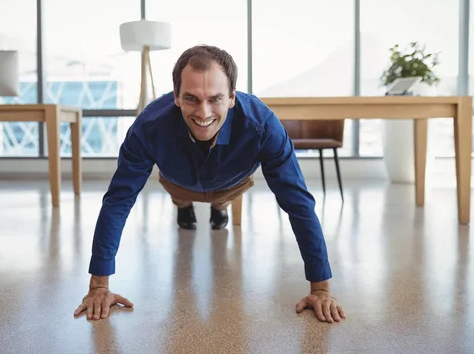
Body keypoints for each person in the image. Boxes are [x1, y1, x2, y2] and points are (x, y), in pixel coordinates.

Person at [74, 45, 346, 323]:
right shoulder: (149, 126)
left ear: (231, 97)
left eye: (215, 98)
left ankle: (219, 206)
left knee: (221, 199)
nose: (203, 113)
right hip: (179, 181)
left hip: (231, 183)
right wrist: (98, 286)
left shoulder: (262, 125)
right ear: (176, 97)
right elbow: (118, 200)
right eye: (191, 98)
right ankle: (184, 204)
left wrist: (321, 288)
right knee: (181, 195)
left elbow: (298, 203)